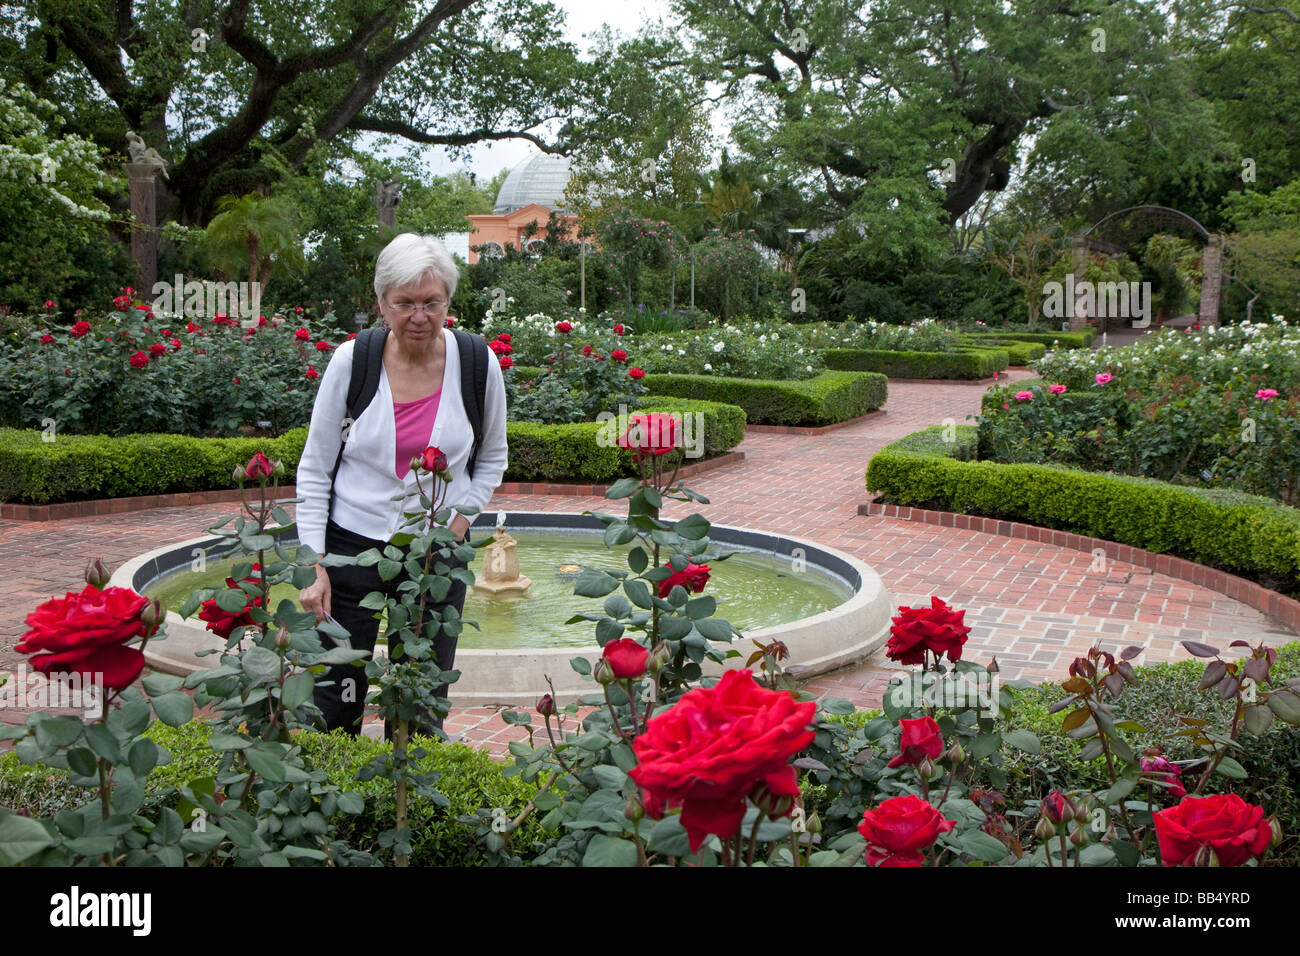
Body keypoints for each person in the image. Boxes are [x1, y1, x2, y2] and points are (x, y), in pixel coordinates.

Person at [295, 233, 508, 738]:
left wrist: (459, 524)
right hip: (351, 548)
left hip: (437, 553)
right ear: (381, 304)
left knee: (423, 694)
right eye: (405, 303)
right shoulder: (353, 362)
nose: (419, 315)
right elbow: (314, 468)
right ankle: (337, 794)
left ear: (448, 301)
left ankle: (410, 804)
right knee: (336, 693)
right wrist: (313, 563)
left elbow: (494, 456)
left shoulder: (477, 364)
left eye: (432, 302)